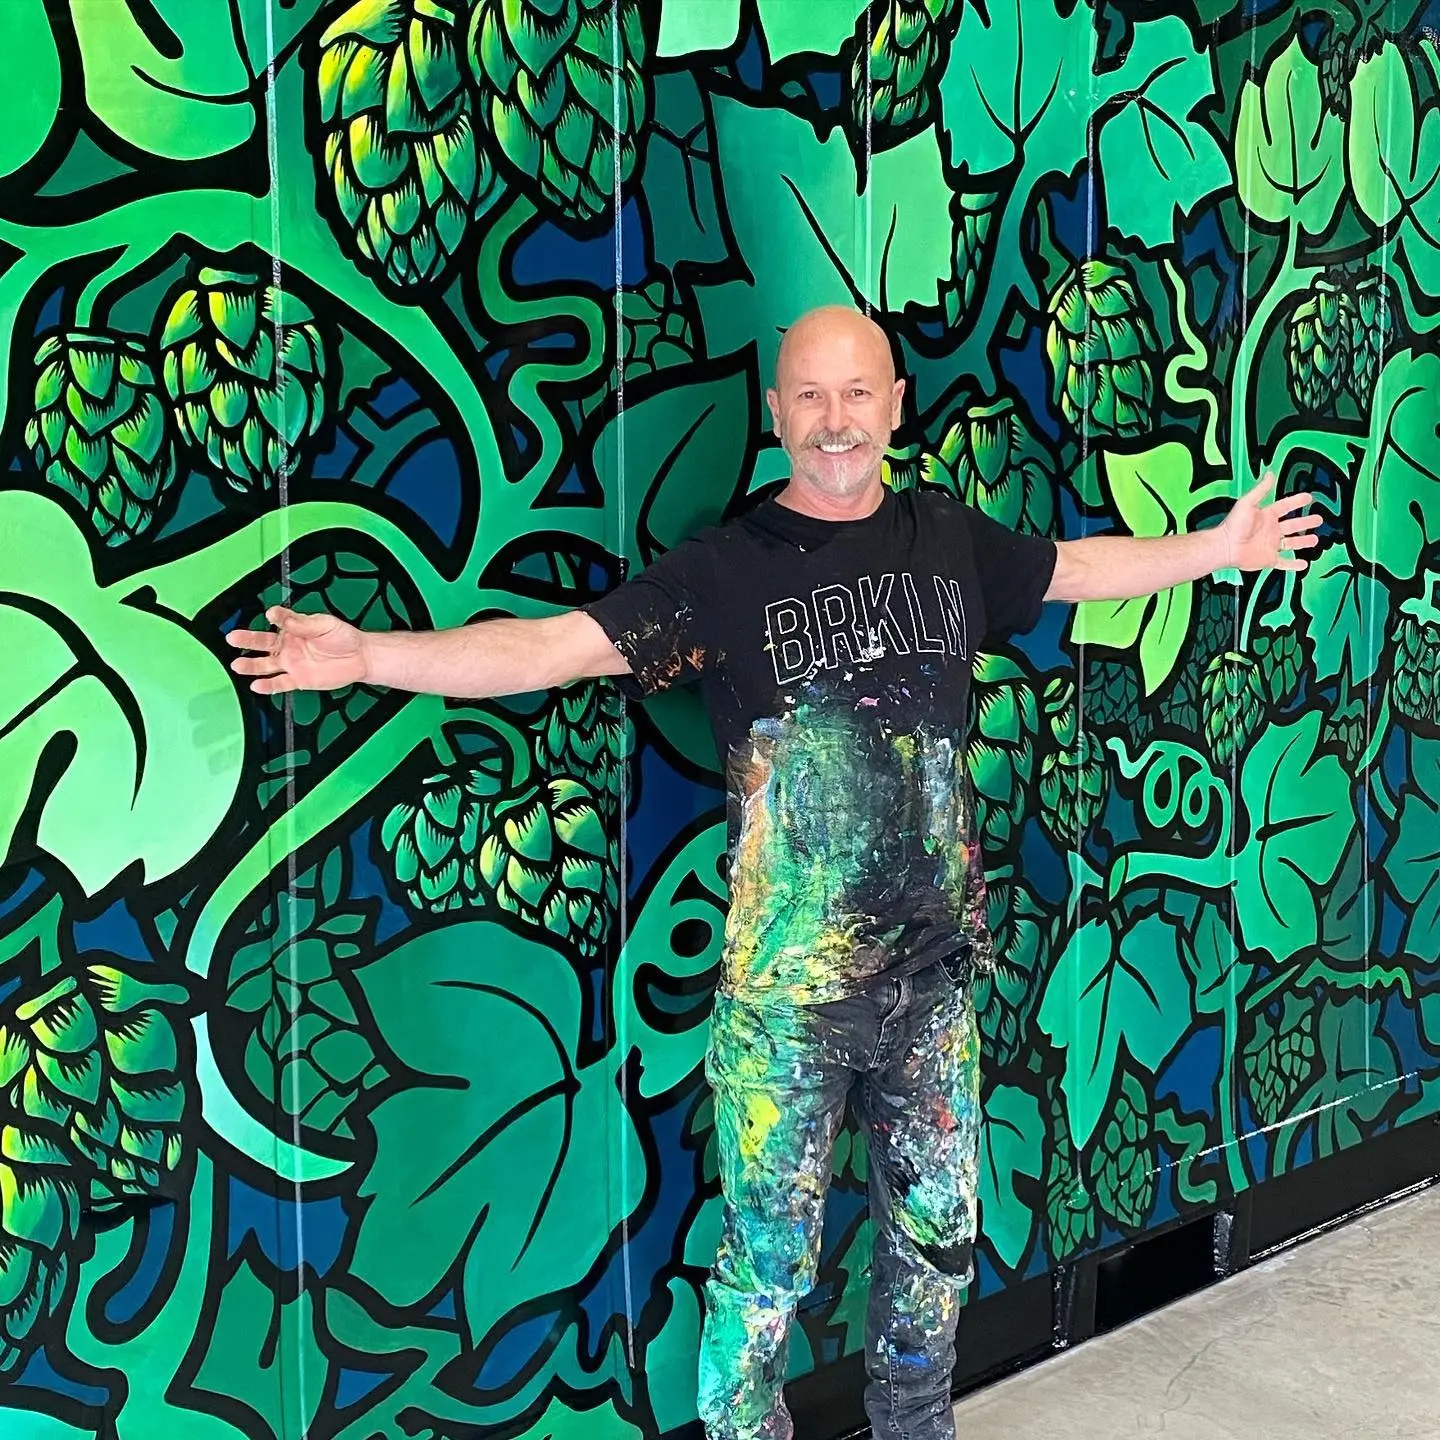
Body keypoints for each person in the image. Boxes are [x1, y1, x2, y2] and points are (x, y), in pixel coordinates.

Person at [226, 306, 1320, 1440]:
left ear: (895, 405)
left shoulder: (946, 538)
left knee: (935, 1259)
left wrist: (1219, 548)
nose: (835, 420)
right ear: (776, 413)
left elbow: (1075, 568)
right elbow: (554, 647)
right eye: (810, 395)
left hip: (932, 988)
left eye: (857, 393)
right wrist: (367, 655)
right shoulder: (726, 569)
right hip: (787, 1007)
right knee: (761, 1282)